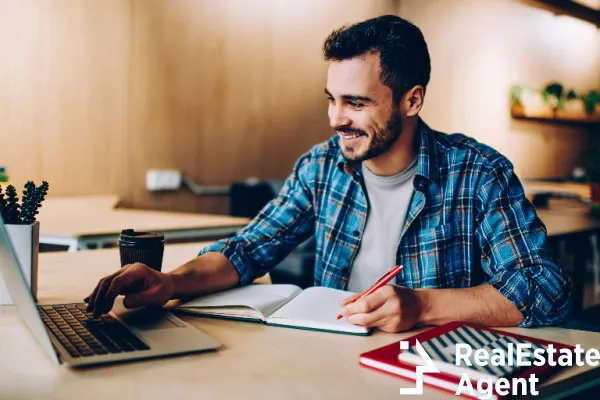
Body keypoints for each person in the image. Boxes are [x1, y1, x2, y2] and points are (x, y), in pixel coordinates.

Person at [85, 15, 572, 333]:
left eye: (356, 103)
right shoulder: (321, 166)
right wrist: (169, 282)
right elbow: (246, 250)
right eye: (332, 99)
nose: (336, 118)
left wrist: (422, 306)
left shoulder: (478, 173)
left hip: (429, 376)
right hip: (329, 367)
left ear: (413, 99)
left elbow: (544, 288)